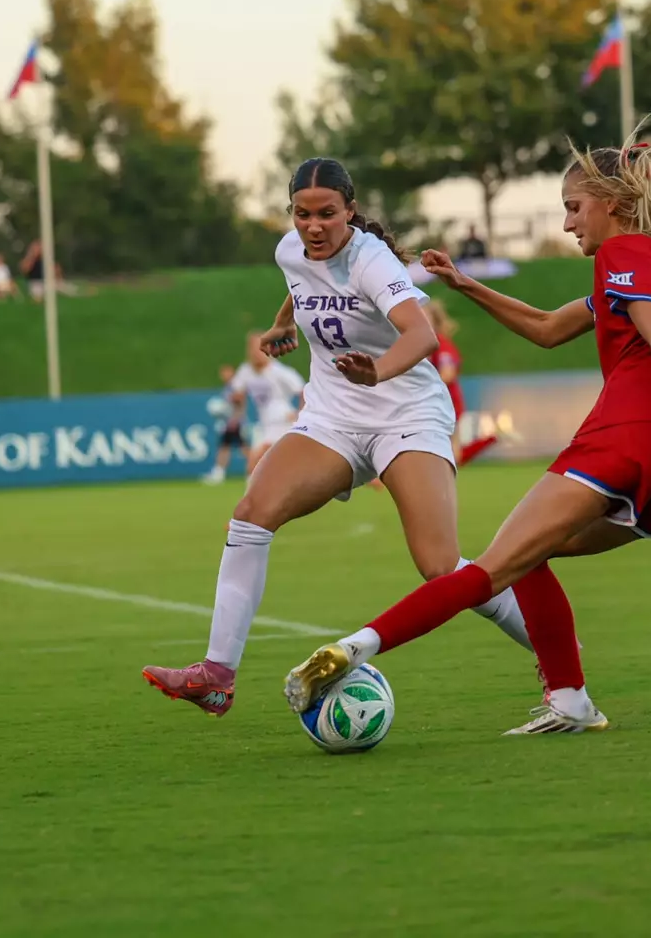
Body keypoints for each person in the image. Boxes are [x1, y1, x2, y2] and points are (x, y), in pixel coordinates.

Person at [284, 134, 651, 735]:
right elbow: (545, 327)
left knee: (491, 567)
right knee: (532, 553)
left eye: (573, 206)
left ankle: (353, 649)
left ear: (611, 204)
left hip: (632, 437)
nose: (567, 223)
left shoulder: (619, 257)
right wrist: (465, 286)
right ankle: (570, 702)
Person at [141, 157, 537, 716]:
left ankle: (556, 653)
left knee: (440, 566)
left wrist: (377, 372)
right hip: (333, 418)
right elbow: (300, 282)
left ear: (350, 211)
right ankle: (216, 675)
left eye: (327, 214)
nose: (314, 227)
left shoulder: (371, 260)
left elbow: (421, 335)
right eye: (302, 215)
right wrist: (283, 323)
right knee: (251, 512)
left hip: (408, 415)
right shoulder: (290, 249)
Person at [226, 330, 307, 482]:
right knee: (256, 466)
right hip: (264, 424)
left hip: (283, 421)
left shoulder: (280, 372)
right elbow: (238, 392)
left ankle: (253, 500)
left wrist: (300, 414)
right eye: (252, 348)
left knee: (256, 462)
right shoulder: (246, 371)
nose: (256, 353)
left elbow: (303, 391)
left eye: (259, 348)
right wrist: (234, 400)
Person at [426, 298, 496, 466]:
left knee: (448, 453)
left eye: (424, 317)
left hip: (445, 404)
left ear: (434, 321)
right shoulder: (423, 343)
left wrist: (420, 387)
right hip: (434, 403)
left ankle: (489, 439)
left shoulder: (441, 344)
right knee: (447, 453)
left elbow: (447, 373)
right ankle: (489, 439)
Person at [203, 365, 247, 485]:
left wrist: (236, 420)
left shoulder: (235, 386)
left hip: (235, 423)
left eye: (226, 373)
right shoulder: (228, 387)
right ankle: (219, 472)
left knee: (243, 449)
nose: (224, 375)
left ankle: (255, 470)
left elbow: (240, 403)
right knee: (225, 447)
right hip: (229, 423)